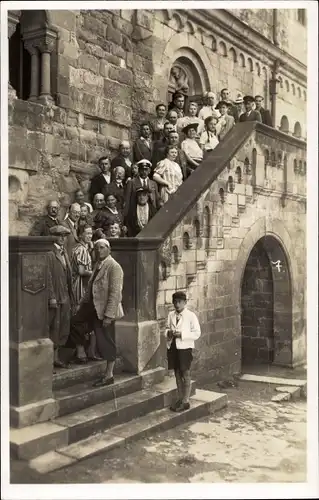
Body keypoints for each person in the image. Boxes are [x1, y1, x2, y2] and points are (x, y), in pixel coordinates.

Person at [69, 239, 124, 387]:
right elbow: (91, 286)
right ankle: (81, 351)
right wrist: (81, 303)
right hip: (91, 306)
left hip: (104, 310)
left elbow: (115, 293)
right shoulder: (98, 265)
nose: (99, 251)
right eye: (97, 248)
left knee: (106, 339)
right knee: (75, 321)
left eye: (102, 248)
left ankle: (109, 374)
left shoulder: (114, 267)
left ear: (108, 249)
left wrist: (109, 315)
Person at [165, 291, 201, 412]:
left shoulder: (191, 316)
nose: (177, 304)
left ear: (185, 303)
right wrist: (169, 333)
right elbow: (166, 328)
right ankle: (180, 398)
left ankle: (186, 401)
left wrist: (182, 334)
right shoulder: (171, 315)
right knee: (177, 373)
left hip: (185, 348)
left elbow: (197, 333)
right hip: (173, 347)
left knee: (185, 372)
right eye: (175, 302)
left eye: (180, 302)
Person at [70, 225, 101, 363]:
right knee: (80, 316)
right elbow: (82, 272)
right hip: (80, 285)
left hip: (80, 284)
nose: (89, 236)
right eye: (86, 233)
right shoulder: (81, 250)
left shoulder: (80, 248)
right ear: (80, 235)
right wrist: (95, 272)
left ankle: (84, 350)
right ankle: (81, 351)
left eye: (90, 234)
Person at [47, 225, 75, 371]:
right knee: (53, 328)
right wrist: (51, 297)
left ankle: (56, 358)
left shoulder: (65, 252)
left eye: (65, 236)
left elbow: (68, 276)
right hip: (56, 296)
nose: (63, 238)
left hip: (65, 296)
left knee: (63, 327)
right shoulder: (50, 253)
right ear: (53, 237)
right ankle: (49, 361)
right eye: (60, 236)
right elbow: (48, 277)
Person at [124, 159, 160, 236]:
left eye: (146, 170)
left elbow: (157, 200)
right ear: (139, 170)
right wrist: (126, 219)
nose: (144, 172)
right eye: (142, 170)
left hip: (150, 214)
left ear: (149, 171)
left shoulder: (153, 184)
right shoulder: (132, 182)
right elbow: (127, 201)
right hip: (135, 215)